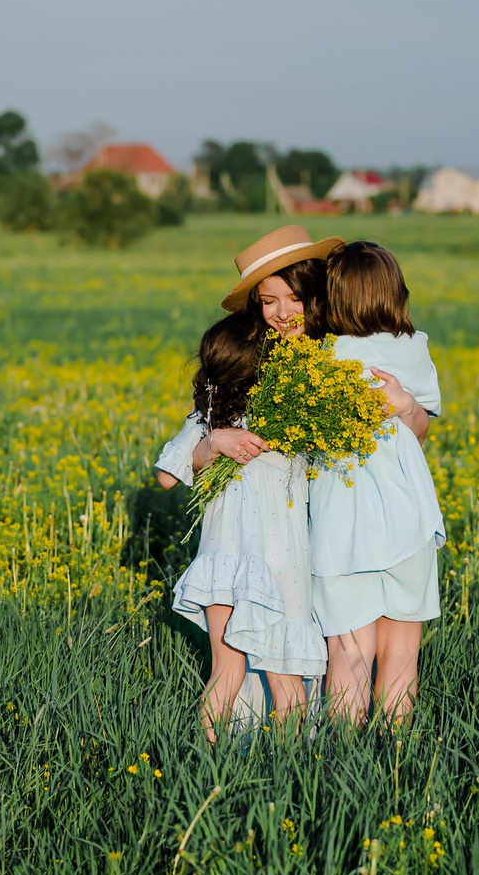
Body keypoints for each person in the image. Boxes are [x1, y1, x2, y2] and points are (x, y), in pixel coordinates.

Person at [152, 226, 342, 734]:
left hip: (254, 551)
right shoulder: (244, 379)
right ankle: (273, 765)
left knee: (251, 673)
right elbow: (172, 471)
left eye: (294, 299)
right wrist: (216, 442)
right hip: (261, 551)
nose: (282, 312)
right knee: (270, 671)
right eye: (268, 301)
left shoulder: (322, 368)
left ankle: (222, 761)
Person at [303, 240, 442, 725]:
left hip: (342, 523)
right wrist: (405, 405)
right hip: (408, 519)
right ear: (394, 293)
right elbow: (419, 431)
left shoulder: (320, 355)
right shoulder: (414, 347)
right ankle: (396, 754)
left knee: (349, 651)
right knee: (402, 651)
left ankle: (345, 755)